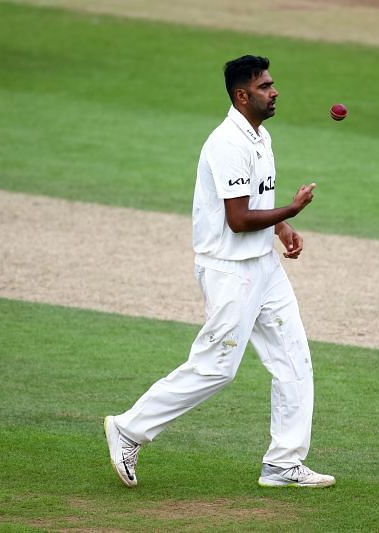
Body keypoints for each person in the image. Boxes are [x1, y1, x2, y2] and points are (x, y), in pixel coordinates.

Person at [104, 55, 335, 489]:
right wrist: (295, 207)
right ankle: (129, 429)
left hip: (262, 266)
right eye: (265, 86)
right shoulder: (227, 143)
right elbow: (238, 220)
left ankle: (283, 463)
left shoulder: (259, 137)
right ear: (241, 95)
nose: (275, 91)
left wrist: (282, 226)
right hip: (231, 271)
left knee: (294, 359)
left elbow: (256, 201)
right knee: (217, 368)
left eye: (272, 83)